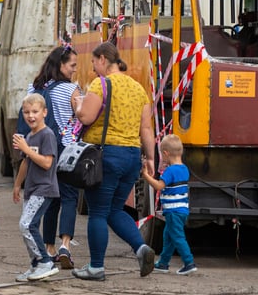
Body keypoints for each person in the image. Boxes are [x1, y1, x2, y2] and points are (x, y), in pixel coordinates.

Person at [72, 41, 156, 281]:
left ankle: (96, 267)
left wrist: (78, 105)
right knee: (114, 210)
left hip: (106, 155)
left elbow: (86, 116)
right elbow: (146, 129)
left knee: (97, 211)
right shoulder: (139, 88)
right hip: (131, 156)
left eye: (93, 63)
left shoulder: (101, 84)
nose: (93, 69)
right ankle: (141, 248)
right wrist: (150, 158)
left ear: (102, 60)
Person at [28, 45, 81, 269]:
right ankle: (65, 245)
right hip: (67, 151)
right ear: (61, 65)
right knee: (69, 197)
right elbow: (82, 118)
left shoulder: (34, 87)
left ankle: (48, 248)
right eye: (72, 65)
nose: (74, 70)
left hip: (44, 149)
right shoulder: (71, 90)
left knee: (51, 200)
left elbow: (27, 115)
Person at [12, 94, 60, 282]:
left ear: (44, 112)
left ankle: (45, 262)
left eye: (35, 112)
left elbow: (47, 163)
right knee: (28, 226)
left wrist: (26, 148)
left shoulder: (47, 135)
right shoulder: (31, 136)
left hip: (44, 188)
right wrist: (17, 184)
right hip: (31, 189)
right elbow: (26, 163)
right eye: (26, 112)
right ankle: (35, 265)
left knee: (27, 225)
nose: (31, 116)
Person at [140, 134, 196, 275]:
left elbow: (159, 186)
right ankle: (163, 263)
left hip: (173, 211)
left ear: (165, 153)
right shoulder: (184, 169)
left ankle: (189, 262)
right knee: (169, 236)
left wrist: (146, 176)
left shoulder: (170, 171)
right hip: (182, 210)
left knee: (177, 236)